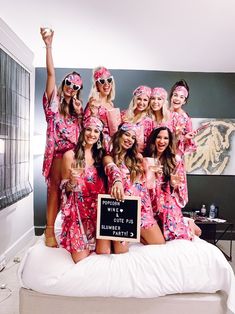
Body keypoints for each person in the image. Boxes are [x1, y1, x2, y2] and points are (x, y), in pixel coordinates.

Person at [40, 28, 83, 247]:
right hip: (56, 154)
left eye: (76, 87)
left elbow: (88, 134)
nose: (71, 88)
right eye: (69, 83)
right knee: (54, 188)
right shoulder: (54, 104)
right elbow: (50, 74)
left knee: (72, 191)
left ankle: (69, 229)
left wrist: (80, 113)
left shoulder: (77, 110)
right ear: (64, 84)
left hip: (73, 157)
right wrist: (48, 45)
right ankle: (49, 231)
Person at [97, 123, 165, 255]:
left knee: (160, 246)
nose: (130, 139)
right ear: (119, 135)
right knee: (121, 255)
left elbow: (148, 183)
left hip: (142, 210)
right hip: (121, 211)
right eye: (127, 135)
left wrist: (155, 174)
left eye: (133, 137)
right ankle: (129, 237)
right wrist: (117, 181)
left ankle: (138, 236)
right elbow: (112, 169)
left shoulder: (138, 158)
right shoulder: (108, 157)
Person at [60, 117, 106, 263]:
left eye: (96, 131)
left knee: (104, 254)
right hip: (79, 212)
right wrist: (72, 182)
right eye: (89, 129)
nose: (92, 134)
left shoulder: (102, 156)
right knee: (80, 259)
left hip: (98, 211)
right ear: (82, 131)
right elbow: (64, 189)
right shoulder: (69, 156)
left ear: (100, 135)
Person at [143, 126, 201, 241]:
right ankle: (186, 221)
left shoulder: (175, 160)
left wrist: (173, 184)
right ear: (153, 139)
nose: (162, 141)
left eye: (166, 138)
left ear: (169, 141)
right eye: (159, 137)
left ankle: (189, 225)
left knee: (175, 235)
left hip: (166, 200)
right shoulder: (145, 159)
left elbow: (180, 186)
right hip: (148, 199)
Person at [83, 66, 120, 152]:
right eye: (102, 81)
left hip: (113, 146)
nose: (106, 84)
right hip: (99, 148)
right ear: (97, 85)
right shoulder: (93, 104)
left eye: (109, 80)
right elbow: (86, 127)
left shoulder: (111, 104)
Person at [169, 79, 196, 155]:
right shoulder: (163, 114)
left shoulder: (186, 119)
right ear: (171, 97)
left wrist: (184, 138)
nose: (177, 99)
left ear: (184, 101)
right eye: (175, 95)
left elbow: (188, 144)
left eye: (181, 97)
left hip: (176, 157)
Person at [122, 86, 153, 152]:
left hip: (137, 154)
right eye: (139, 99)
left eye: (145, 100)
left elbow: (148, 143)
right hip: (120, 151)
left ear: (148, 102)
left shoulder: (148, 122)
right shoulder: (123, 114)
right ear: (134, 99)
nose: (141, 103)